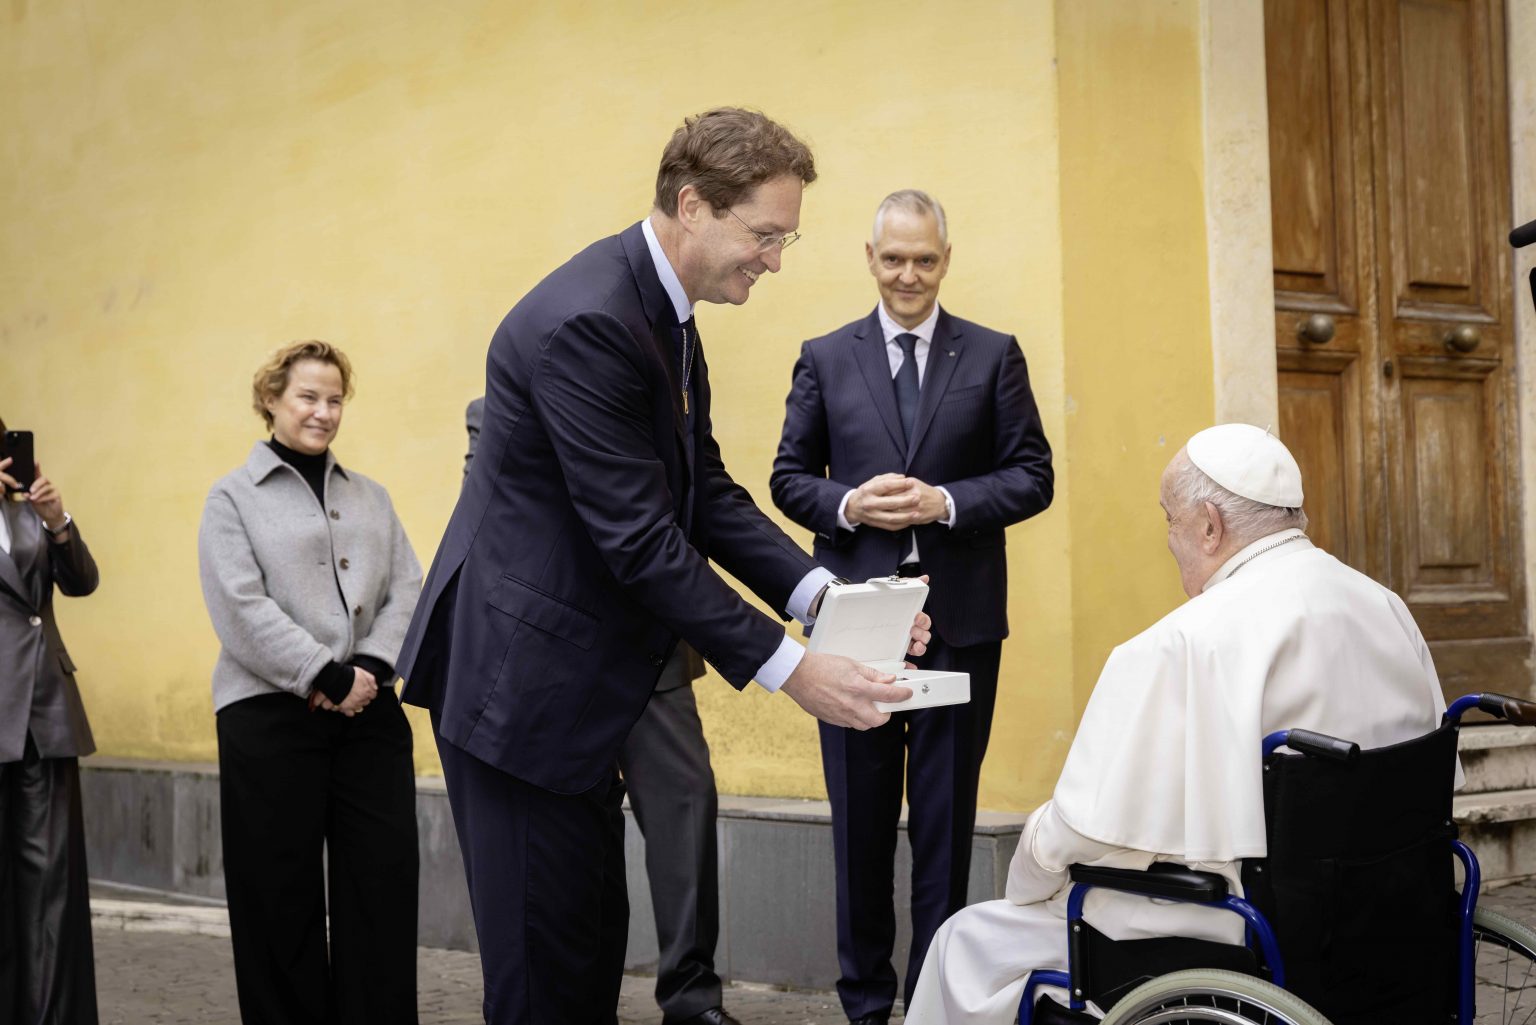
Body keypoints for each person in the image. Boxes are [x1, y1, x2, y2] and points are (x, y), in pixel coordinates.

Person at [395, 107, 931, 1025]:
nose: (775, 260)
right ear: (692, 206)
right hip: (520, 695)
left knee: (586, 962)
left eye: (786, 238)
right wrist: (797, 670)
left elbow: (705, 491)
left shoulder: (666, 312)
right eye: (765, 235)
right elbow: (641, 540)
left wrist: (827, 598)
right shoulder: (592, 321)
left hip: (580, 698)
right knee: (543, 989)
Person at [902, 424, 1455, 1025]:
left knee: (964, 941)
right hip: (1384, 917)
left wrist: (1031, 864)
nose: (1169, 539)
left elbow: (1082, 831)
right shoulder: (1384, 604)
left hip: (1232, 930)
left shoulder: (1183, 642)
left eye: (1171, 520)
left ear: (1210, 526)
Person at [769, 189, 1053, 1024]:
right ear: (870, 258)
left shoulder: (993, 354)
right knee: (859, 824)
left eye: (924, 259)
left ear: (945, 260)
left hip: (961, 626)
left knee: (944, 824)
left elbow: (1032, 474)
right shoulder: (825, 356)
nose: (908, 275)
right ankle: (864, 1004)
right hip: (854, 629)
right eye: (893, 258)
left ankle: (933, 1001)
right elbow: (788, 477)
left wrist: (947, 502)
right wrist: (849, 504)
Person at [463, 396, 726, 1022]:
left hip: (653, 654)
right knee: (570, 845)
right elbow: (504, 520)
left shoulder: (668, 406)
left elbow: (697, 509)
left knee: (688, 809)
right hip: (560, 663)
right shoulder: (497, 410)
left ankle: (691, 997)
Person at [197, 341, 423, 1025]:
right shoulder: (232, 498)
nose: (323, 412)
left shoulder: (372, 497)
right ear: (271, 399)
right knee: (278, 899)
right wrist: (320, 672)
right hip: (269, 716)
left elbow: (409, 589)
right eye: (307, 397)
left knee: (381, 887)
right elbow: (239, 605)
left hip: (369, 714)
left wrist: (369, 670)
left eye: (334, 399)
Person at [0, 421, 100, 1025]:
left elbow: (83, 582)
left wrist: (57, 520)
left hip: (45, 711)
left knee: (52, 885)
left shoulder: (27, 515)